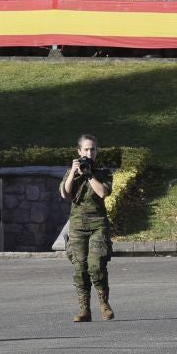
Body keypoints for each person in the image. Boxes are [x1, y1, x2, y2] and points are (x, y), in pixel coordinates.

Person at [59, 134, 113, 323]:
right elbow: (65, 193)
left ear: (96, 151)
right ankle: (84, 309)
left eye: (93, 149)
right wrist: (74, 173)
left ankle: (104, 304)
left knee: (96, 265)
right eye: (86, 149)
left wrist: (89, 174)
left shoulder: (103, 172)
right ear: (79, 151)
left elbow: (103, 192)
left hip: (98, 225)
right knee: (80, 268)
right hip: (78, 226)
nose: (89, 153)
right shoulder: (71, 172)